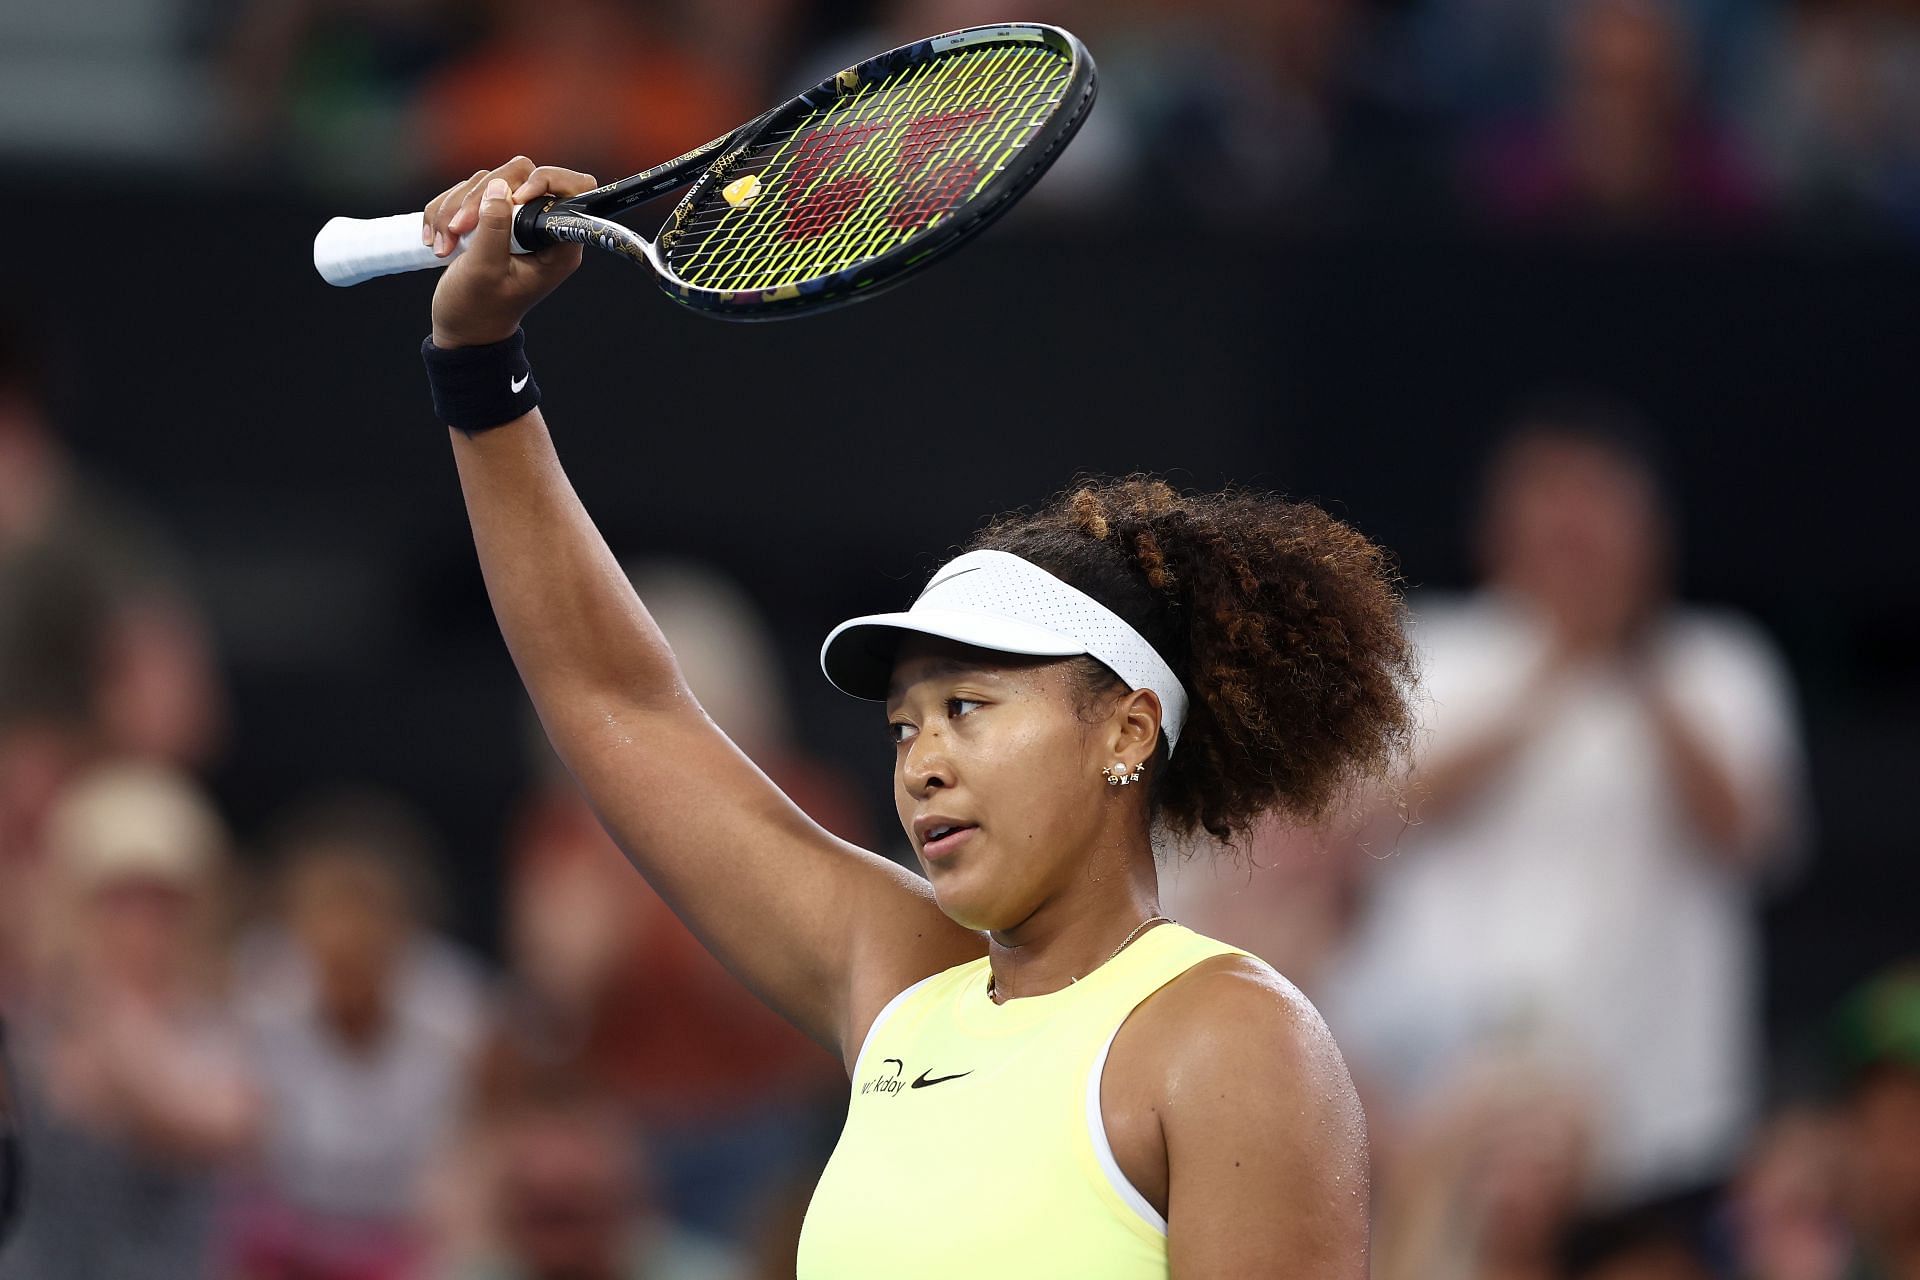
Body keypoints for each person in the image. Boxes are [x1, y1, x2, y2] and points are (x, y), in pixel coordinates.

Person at [411, 158, 1418, 1277]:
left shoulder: (1233, 1037)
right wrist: (479, 363)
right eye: (904, 725)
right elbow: (614, 699)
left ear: (1126, 731)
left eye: (969, 707)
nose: (922, 760)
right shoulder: (898, 979)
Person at [1323, 409, 1808, 1206]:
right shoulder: (1430, 646)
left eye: (1599, 525)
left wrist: (1635, 664)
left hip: (1663, 1102)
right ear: (1501, 533)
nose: (1577, 552)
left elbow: (1751, 837)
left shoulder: (1717, 661)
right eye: (1556, 526)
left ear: (1650, 537)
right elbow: (1365, 818)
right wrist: (1552, 673)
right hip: (1442, 1099)